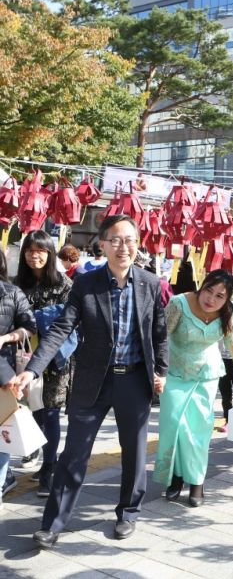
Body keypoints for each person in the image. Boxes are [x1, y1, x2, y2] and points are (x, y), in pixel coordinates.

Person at [13, 215, 168, 548]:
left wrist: (162, 372)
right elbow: (61, 328)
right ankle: (52, 524)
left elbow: (159, 333)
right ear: (102, 244)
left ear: (137, 244)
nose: (122, 247)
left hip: (134, 381)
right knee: (74, 455)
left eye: (129, 240)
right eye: (115, 240)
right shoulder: (87, 283)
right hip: (92, 381)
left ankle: (128, 513)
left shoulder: (151, 284)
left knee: (135, 453)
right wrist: (33, 369)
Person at [154, 270, 233, 507]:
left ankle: (197, 482)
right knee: (174, 427)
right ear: (202, 285)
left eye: (220, 296)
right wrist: (157, 372)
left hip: (206, 377)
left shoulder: (230, 309)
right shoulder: (179, 303)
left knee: (198, 432)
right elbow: (161, 337)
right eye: (209, 290)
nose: (212, 299)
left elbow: (231, 338)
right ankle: (175, 477)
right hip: (174, 375)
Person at [15, 231, 74, 498]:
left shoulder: (64, 284)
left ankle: (49, 469)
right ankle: (39, 455)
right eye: (29, 250)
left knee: (50, 412)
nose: (34, 255)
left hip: (55, 359)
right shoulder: (18, 284)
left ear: (50, 253)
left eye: (40, 250)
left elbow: (70, 318)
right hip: (24, 358)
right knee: (34, 410)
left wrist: (34, 318)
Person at [0, 250, 37, 510]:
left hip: (4, 374)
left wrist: (6, 338)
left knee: (2, 435)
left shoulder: (12, 292)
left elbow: (29, 327)